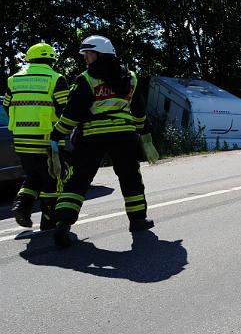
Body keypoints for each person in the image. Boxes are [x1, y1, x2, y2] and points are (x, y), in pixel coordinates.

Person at [50, 35, 157, 247]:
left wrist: (56, 134)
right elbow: (139, 112)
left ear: (101, 55)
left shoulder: (86, 80)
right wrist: (141, 132)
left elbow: (71, 115)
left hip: (93, 137)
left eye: (89, 54)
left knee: (78, 178)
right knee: (130, 177)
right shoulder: (131, 78)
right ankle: (138, 220)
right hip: (124, 137)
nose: (86, 59)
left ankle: (63, 222)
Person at [2, 43, 69, 230]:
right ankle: (49, 220)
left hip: (21, 139)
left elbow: (7, 106)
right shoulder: (56, 78)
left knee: (33, 175)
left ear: (30, 58)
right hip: (48, 139)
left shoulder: (14, 79)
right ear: (52, 59)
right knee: (53, 178)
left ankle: (20, 206)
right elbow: (65, 109)